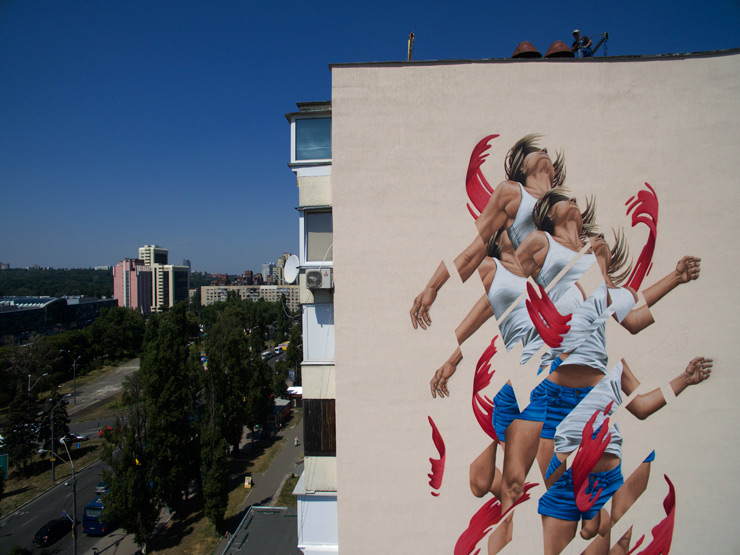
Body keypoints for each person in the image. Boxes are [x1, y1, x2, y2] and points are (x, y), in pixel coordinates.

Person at [410, 134, 566, 330]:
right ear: (522, 168)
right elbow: (471, 252)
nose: (544, 152)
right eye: (533, 152)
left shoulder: (567, 208)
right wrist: (432, 286)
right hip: (551, 309)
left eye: (544, 151)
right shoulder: (512, 194)